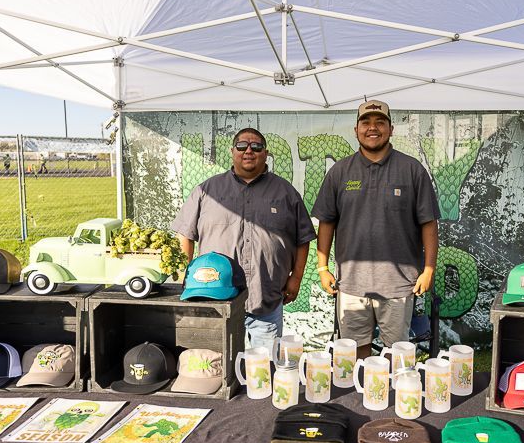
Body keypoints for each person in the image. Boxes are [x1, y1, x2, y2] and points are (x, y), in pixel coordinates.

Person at [171, 128, 315, 359]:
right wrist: (185, 276)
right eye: (242, 146)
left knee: (263, 372)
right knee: (216, 368)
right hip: (215, 300)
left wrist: (296, 278)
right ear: (232, 152)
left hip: (265, 299)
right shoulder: (207, 191)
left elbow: (303, 238)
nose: (249, 151)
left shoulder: (286, 192)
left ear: (266, 153)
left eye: (256, 146)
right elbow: (185, 235)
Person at [312, 99, 440, 359]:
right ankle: (361, 398)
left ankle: (393, 398)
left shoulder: (412, 170)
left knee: (398, 355)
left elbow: (429, 224)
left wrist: (428, 270)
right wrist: (322, 268)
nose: (373, 128)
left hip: (399, 284)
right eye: (366, 122)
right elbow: (327, 223)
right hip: (351, 284)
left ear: (391, 129)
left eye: (380, 122)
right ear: (356, 129)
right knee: (355, 352)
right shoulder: (339, 172)